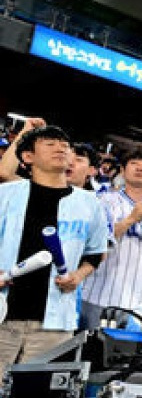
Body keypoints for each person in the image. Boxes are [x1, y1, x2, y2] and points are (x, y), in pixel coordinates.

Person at [0, 126, 107, 373]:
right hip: (4, 313)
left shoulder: (89, 203)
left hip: (55, 322)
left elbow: (95, 252)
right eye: (50, 144)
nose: (60, 148)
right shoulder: (5, 194)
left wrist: (77, 276)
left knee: (36, 390)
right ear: (28, 157)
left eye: (65, 146)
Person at [80, 149, 142, 329]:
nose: (140, 168)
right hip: (98, 294)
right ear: (122, 170)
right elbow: (93, 240)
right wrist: (131, 219)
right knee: (90, 346)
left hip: (140, 302)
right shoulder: (103, 201)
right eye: (134, 163)